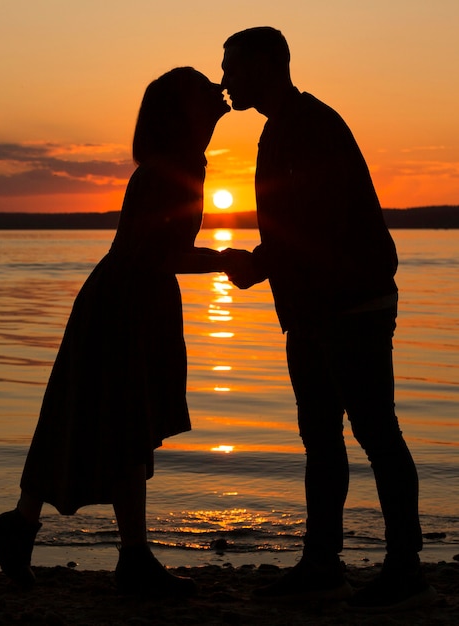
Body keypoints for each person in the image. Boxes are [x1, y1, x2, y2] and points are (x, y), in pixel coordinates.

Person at [0, 67, 231, 598]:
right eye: (204, 87)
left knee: (92, 417)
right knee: (119, 424)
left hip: (125, 297)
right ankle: (131, 558)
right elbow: (158, 252)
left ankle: (25, 527)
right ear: (182, 110)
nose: (219, 89)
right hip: (127, 301)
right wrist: (225, 260)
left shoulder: (175, 162)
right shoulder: (177, 165)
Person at [220, 27, 436, 611]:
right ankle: (322, 563)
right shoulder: (284, 126)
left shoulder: (309, 125)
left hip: (351, 305)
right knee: (321, 436)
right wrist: (271, 271)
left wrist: (259, 266)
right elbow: (300, 222)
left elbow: (318, 220)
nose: (225, 79)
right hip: (314, 307)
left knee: (374, 432)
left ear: (268, 63)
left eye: (233, 67)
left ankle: (405, 567)